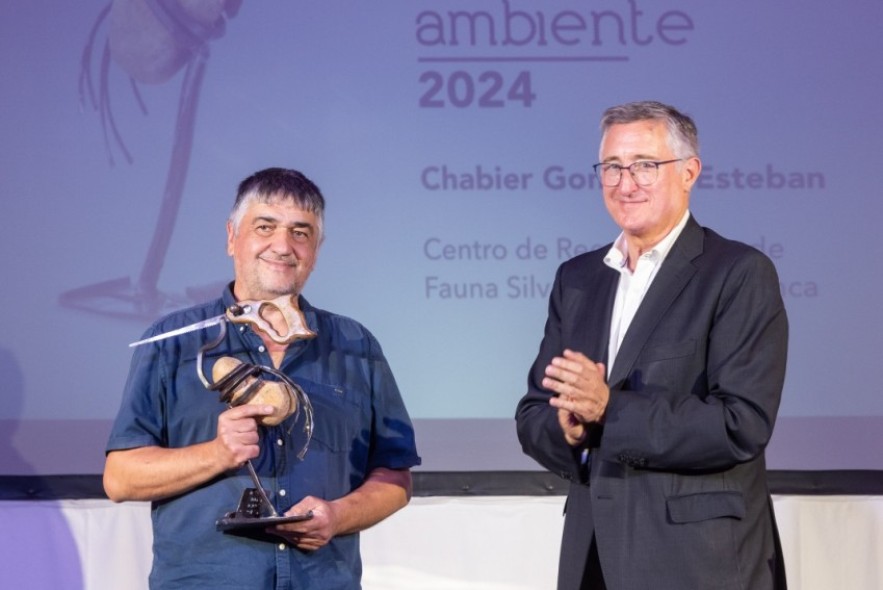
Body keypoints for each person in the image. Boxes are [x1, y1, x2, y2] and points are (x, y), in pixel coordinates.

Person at [104, 167, 421, 589]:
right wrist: (217, 453)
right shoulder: (171, 344)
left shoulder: (355, 345)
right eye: (265, 227)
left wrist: (338, 516)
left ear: (317, 249)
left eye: (301, 232)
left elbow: (395, 478)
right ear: (232, 237)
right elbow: (121, 478)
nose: (283, 245)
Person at [515, 101, 788, 590]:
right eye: (612, 168)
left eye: (644, 165)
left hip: (698, 564)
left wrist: (609, 410)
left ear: (689, 173)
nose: (625, 183)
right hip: (593, 557)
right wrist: (570, 433)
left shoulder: (737, 273)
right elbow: (535, 412)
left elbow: (740, 424)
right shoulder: (577, 279)